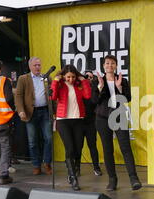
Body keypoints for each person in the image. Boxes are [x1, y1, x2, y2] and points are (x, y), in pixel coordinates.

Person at [91, 55, 142, 191]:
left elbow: (127, 99)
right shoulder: (97, 80)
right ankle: (112, 180)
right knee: (108, 150)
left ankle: (134, 178)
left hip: (119, 116)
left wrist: (119, 88)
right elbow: (94, 101)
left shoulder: (122, 80)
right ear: (103, 66)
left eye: (113, 63)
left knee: (126, 148)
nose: (110, 65)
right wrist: (100, 87)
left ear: (116, 65)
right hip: (102, 118)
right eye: (107, 63)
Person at [51, 65, 91, 191]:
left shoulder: (78, 84)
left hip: (78, 120)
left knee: (78, 148)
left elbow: (88, 95)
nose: (71, 79)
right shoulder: (60, 85)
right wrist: (55, 81)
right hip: (63, 121)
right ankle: (73, 177)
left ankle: (75, 168)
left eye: (73, 77)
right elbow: (52, 96)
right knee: (70, 148)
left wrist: (83, 80)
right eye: (68, 77)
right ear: (63, 76)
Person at [15, 57, 53, 176]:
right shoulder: (23, 78)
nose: (38, 67)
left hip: (45, 111)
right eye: (35, 65)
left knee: (49, 138)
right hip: (30, 112)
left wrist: (55, 111)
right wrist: (20, 110)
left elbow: (52, 96)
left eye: (39, 65)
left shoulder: (46, 78)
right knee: (32, 141)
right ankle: (36, 165)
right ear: (30, 66)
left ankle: (47, 163)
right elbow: (18, 96)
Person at [81, 71, 102, 177]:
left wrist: (94, 85)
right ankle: (76, 169)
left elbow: (96, 102)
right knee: (77, 146)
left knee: (92, 145)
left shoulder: (95, 89)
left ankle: (96, 167)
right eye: (86, 77)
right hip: (79, 122)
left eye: (91, 77)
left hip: (91, 122)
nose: (88, 78)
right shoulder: (78, 88)